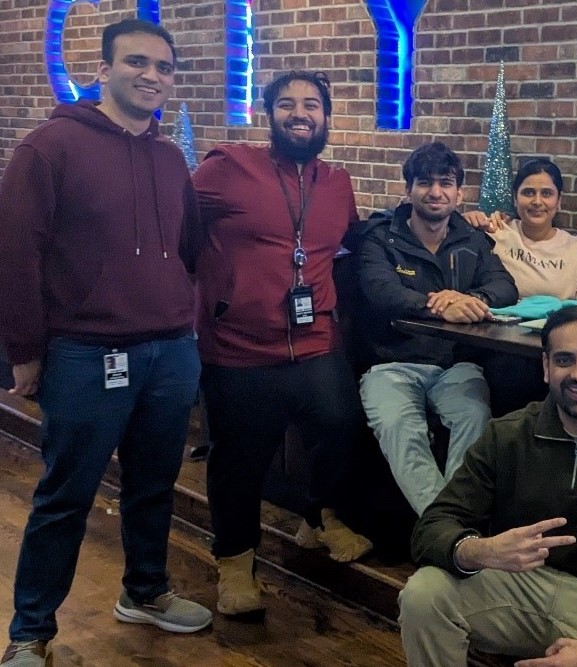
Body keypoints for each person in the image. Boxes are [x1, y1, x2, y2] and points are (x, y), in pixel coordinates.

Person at [0, 19, 211, 667]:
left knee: (153, 484)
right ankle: (29, 632)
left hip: (170, 352)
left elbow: (191, 247)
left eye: (164, 67)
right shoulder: (50, 147)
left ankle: (144, 591)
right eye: (138, 63)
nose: (152, 76)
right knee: (67, 493)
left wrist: (186, 320)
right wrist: (25, 352)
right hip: (88, 355)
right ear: (103, 69)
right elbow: (15, 256)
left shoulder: (171, 156)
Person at [398, 306, 577, 667]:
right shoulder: (505, 435)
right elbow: (432, 527)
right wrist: (481, 550)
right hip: (514, 585)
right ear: (546, 367)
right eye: (565, 360)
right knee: (423, 593)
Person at [192, 70, 372, 619]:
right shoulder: (227, 169)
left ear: (326, 117)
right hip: (239, 346)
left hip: (315, 338)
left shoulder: (337, 183)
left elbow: (354, 242)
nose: (300, 113)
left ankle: (317, 516)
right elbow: (176, 227)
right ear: (268, 114)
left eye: (312, 104)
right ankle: (235, 564)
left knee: (342, 424)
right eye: (288, 104)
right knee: (240, 461)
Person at [355, 142, 518, 516]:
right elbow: (381, 292)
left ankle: (449, 524)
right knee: (400, 426)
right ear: (408, 189)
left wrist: (468, 298)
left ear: (459, 193)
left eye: (445, 183)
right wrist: (440, 303)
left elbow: (505, 287)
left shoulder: (472, 239)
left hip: (456, 365)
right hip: (390, 364)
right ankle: (448, 528)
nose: (435, 192)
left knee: (474, 418)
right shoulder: (381, 237)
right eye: (425, 182)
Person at [485, 159, 577, 300]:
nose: (537, 202)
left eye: (546, 194)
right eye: (528, 193)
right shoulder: (495, 234)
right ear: (515, 198)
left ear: (559, 201)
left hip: (557, 321)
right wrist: (469, 221)